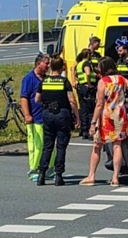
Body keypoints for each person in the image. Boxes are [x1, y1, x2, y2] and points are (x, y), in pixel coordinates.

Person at [81, 57, 128, 187]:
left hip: (105, 116)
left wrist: (93, 123)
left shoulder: (103, 82)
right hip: (119, 115)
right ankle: (115, 177)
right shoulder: (121, 79)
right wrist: (127, 104)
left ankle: (91, 176)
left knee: (97, 145)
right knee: (117, 145)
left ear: (103, 68)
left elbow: (99, 104)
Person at [35, 56, 80, 186]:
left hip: (48, 114)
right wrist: (77, 117)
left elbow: (37, 99)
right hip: (62, 114)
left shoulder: (44, 81)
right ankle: (58, 176)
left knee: (47, 146)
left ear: (51, 67)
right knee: (61, 146)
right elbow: (71, 100)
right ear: (61, 68)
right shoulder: (64, 81)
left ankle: (41, 174)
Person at [19, 53, 50, 182]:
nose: (48, 66)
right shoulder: (29, 79)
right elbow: (24, 98)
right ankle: (34, 169)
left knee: (48, 145)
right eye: (46, 63)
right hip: (35, 118)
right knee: (36, 145)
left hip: (47, 117)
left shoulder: (47, 78)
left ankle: (48, 168)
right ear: (38, 64)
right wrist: (27, 115)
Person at [73, 48, 97, 139]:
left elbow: (76, 73)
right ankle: (90, 132)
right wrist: (89, 83)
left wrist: (78, 80)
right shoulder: (86, 63)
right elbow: (87, 73)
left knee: (83, 109)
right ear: (87, 55)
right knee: (90, 110)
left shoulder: (79, 64)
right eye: (90, 54)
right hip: (87, 88)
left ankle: (84, 131)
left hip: (81, 87)